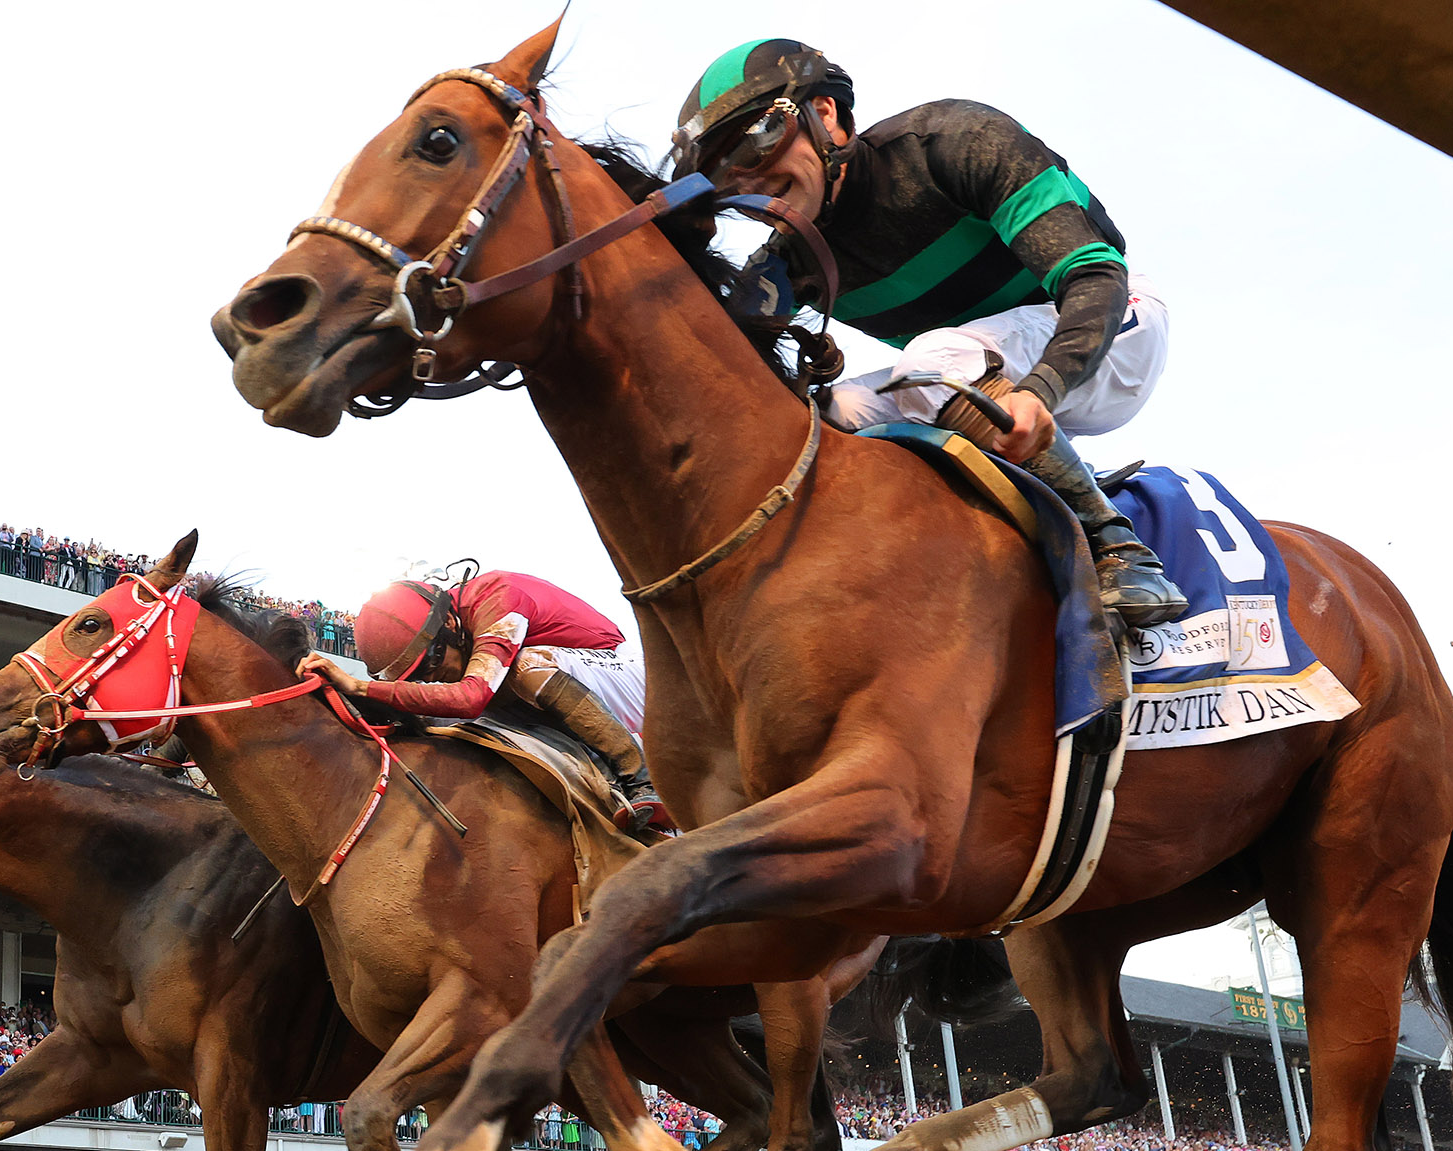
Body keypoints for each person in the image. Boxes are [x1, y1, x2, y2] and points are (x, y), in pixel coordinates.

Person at [669, 38, 1184, 628]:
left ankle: (1116, 546)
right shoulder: (787, 266)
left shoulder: (953, 142)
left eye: (758, 139)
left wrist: (1039, 390)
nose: (748, 180)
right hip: (977, 377)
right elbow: (717, 380)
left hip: (1114, 324)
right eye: (720, 174)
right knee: (829, 416)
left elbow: (1093, 274)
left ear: (826, 114)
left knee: (935, 360)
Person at [299, 569, 668, 830]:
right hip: (577, 685)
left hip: (630, 676)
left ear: (451, 626)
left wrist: (361, 688)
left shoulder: (500, 598)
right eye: (415, 677)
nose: (430, 678)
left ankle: (641, 778)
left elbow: (471, 698)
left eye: (430, 662)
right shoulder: (453, 632)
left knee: (522, 667)